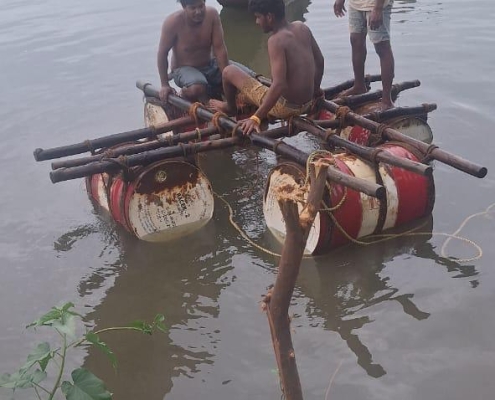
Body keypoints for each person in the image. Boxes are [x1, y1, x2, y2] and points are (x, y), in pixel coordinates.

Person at [210, 0, 325, 135]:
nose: (257, 22)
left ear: (269, 17)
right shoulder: (302, 27)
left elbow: (279, 85)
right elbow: (320, 62)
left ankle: (230, 108)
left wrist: (256, 118)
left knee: (228, 71)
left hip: (285, 108)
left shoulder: (275, 41)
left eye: (258, 17)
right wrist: (315, 90)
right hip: (307, 103)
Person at [157, 0, 229, 104]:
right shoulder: (173, 22)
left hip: (209, 64)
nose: (198, 12)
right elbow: (162, 53)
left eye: (201, 6)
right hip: (183, 69)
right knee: (197, 88)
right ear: (184, 7)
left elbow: (219, 48)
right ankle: (186, 94)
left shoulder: (212, 15)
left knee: (238, 75)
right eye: (193, 8)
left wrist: (227, 75)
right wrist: (164, 84)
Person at [334, 0, 395, 109]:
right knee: (356, 41)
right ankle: (359, 86)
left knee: (382, 47)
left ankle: (387, 100)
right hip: (355, 4)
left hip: (375, 5)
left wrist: (378, 8)